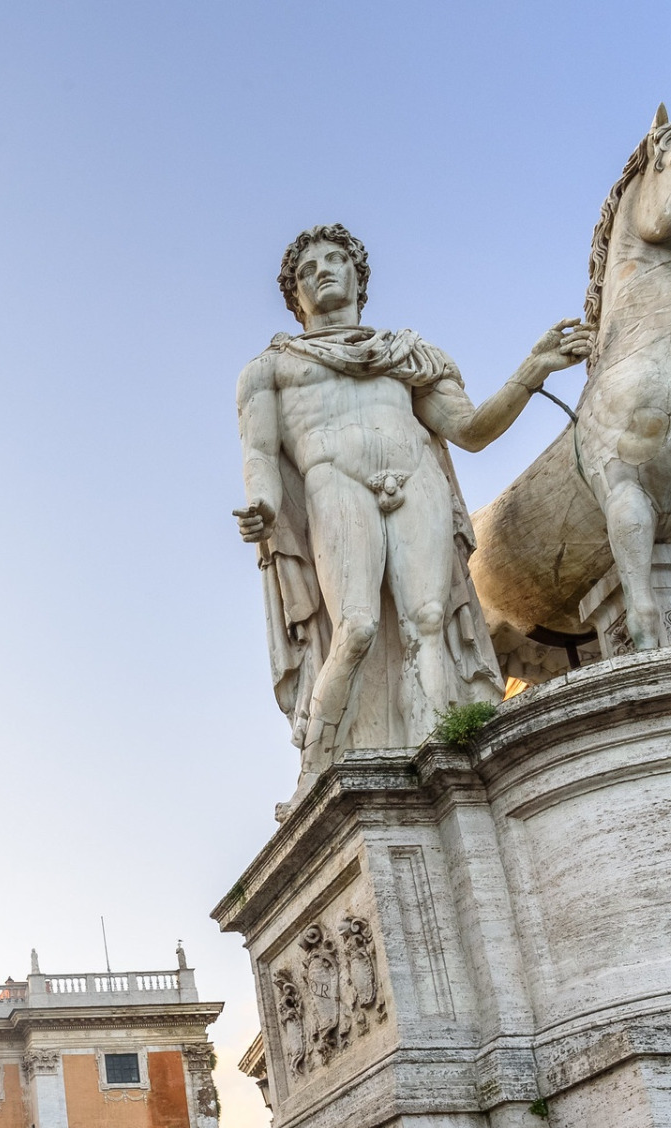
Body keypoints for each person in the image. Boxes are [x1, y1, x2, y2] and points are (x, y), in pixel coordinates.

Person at [234, 225, 586, 790]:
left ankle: (445, 759)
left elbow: (470, 431)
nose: (322, 270)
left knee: (429, 621)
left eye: (335, 260)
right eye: (306, 270)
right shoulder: (270, 369)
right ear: (295, 297)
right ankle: (316, 767)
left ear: (357, 276)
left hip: (415, 475)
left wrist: (531, 371)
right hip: (335, 483)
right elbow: (260, 456)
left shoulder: (408, 355)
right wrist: (264, 508)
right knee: (356, 626)